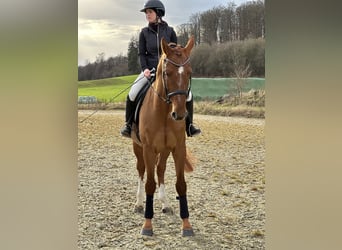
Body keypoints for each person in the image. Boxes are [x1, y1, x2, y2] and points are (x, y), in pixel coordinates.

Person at [120, 0, 201, 138]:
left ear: (158, 13)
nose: (147, 15)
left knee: (188, 95)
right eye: (146, 12)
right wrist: (145, 68)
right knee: (132, 93)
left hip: (168, 71)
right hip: (149, 70)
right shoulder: (144, 33)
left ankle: (189, 125)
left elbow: (177, 52)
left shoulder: (170, 31)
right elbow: (141, 53)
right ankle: (128, 125)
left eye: (150, 12)